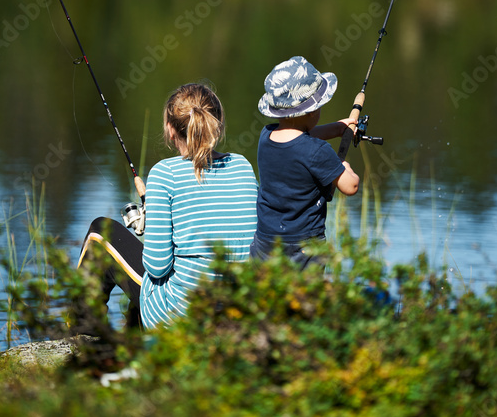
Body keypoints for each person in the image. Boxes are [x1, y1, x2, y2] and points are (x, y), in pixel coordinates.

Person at [77, 82, 258, 329]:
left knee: (100, 231)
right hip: (235, 315)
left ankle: (82, 332)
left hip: (179, 319)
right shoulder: (242, 167)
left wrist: (153, 225)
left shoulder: (165, 173)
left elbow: (158, 267)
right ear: (217, 123)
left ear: (170, 129)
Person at [249, 55, 360, 267]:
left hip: (265, 242)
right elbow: (350, 186)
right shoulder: (318, 151)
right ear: (311, 111)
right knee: (304, 298)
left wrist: (337, 128)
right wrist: (344, 167)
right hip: (303, 248)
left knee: (267, 296)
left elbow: (298, 140)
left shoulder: (266, 136)